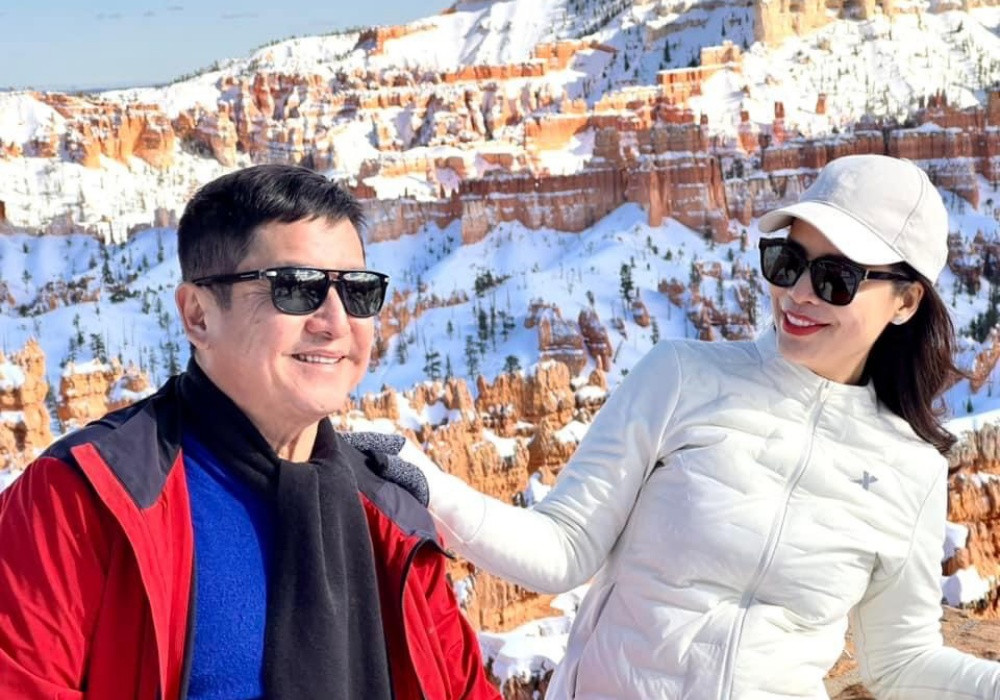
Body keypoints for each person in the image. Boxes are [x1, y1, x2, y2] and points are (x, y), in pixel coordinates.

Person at [402, 155, 1000, 698]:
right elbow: (565, 547)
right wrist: (428, 482)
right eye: (787, 262)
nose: (797, 294)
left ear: (905, 302)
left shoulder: (911, 467)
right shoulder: (681, 376)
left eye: (835, 279)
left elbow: (899, 663)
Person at [0, 164, 500, 700]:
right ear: (198, 315)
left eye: (357, 291)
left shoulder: (392, 518)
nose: (335, 322)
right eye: (295, 287)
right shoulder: (80, 499)